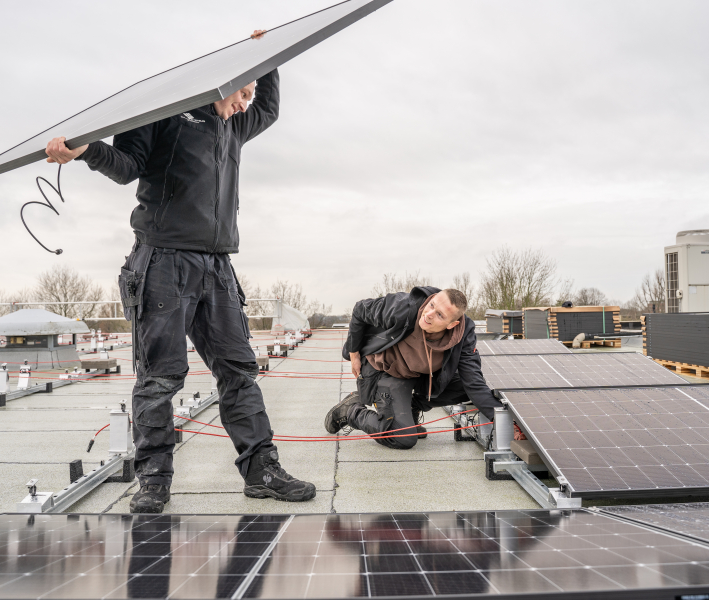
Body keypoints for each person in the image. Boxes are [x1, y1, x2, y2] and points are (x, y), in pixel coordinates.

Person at [45, 30, 315, 512]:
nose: (244, 104)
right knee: (160, 378)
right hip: (163, 261)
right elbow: (127, 165)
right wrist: (84, 151)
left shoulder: (232, 126)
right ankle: (153, 479)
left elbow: (270, 110)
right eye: (241, 93)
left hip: (217, 266)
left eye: (250, 94)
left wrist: (267, 58)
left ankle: (262, 469)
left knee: (239, 372)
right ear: (220, 84)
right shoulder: (165, 113)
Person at [324, 287, 502, 449]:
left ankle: (409, 408)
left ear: (452, 325)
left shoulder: (463, 334)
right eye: (431, 305)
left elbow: (473, 381)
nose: (429, 314)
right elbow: (360, 309)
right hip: (384, 370)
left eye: (440, 315)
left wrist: (501, 419)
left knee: (465, 387)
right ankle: (352, 411)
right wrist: (353, 353)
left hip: (417, 375)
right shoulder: (403, 307)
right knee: (403, 438)